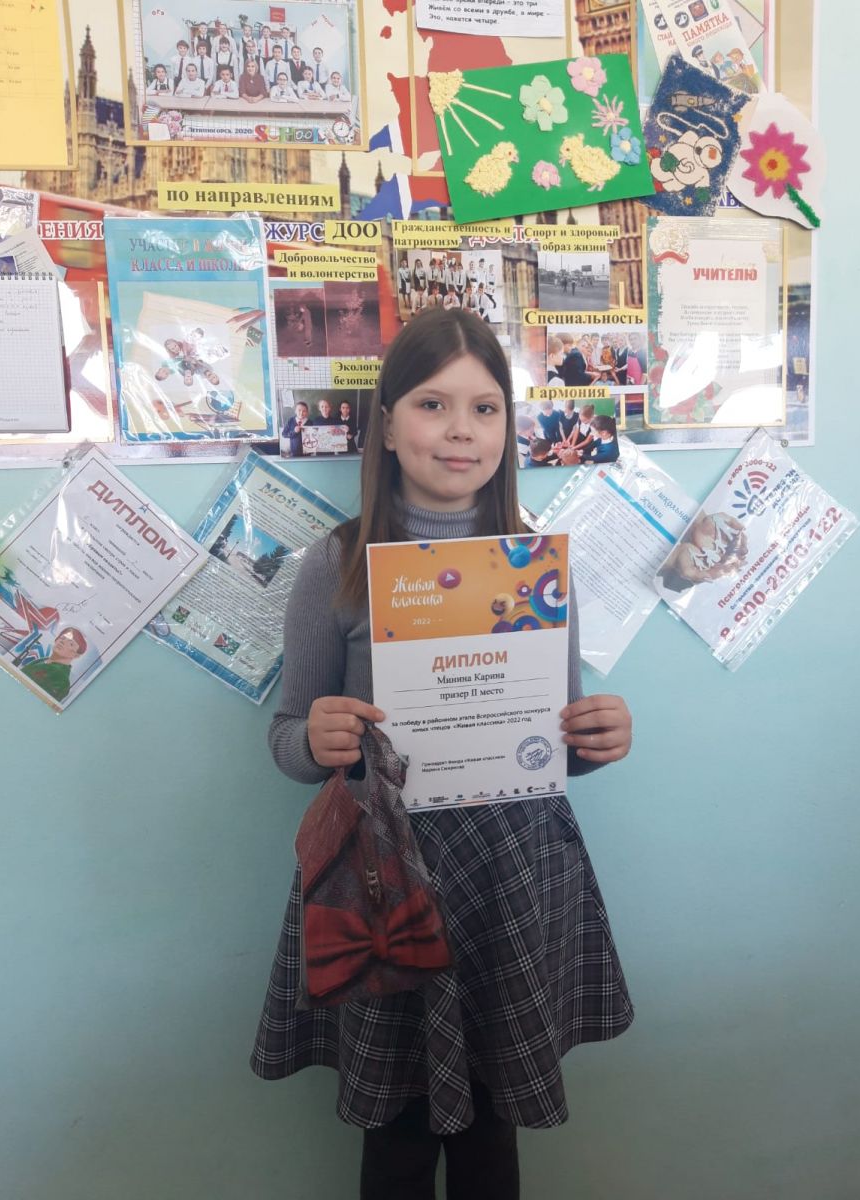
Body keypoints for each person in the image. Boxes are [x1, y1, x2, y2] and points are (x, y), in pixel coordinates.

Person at [250, 308, 634, 1200]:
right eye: (432, 404)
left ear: (507, 426)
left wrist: (595, 740)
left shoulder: (534, 565)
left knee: (494, 1126)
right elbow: (287, 737)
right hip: (386, 880)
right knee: (397, 1130)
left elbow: (555, 740)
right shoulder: (338, 563)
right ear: (387, 425)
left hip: (510, 875)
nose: (461, 430)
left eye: (484, 408)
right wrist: (314, 740)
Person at [20, 627, 87, 703]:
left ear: (76, 655)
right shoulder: (42, 661)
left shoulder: (61, 678)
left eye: (71, 644)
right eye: (62, 638)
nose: (63, 642)